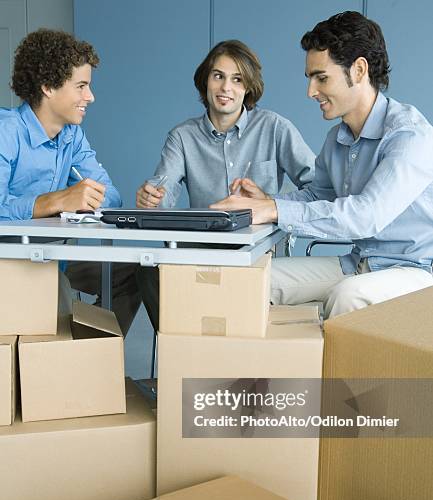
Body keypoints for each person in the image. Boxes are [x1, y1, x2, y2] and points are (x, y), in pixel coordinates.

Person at [211, 11, 433, 317]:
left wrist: (275, 211)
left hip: (417, 273)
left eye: (321, 77)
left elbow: (366, 217)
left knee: (348, 296)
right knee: (250, 283)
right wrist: (266, 201)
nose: (311, 91)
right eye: (310, 78)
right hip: (357, 264)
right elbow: (318, 196)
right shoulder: (337, 139)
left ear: (358, 70)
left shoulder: (410, 137)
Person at [135, 39, 316, 329]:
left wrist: (269, 201)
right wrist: (151, 200)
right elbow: (163, 196)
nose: (225, 88)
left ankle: (217, 357)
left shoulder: (275, 128)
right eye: (218, 76)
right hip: (199, 253)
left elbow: (319, 190)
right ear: (205, 80)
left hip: (257, 251)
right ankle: (182, 349)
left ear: (248, 88)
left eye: (237, 79)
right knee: (147, 272)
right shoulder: (182, 137)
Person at [0, 29, 140, 335]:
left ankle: (90, 356)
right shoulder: (6, 133)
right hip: (9, 265)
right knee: (55, 287)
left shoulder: (71, 136)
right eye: (81, 86)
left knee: (132, 274)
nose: (90, 97)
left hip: (56, 258)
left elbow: (112, 197)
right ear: (48, 86)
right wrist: (56, 202)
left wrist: (84, 201)